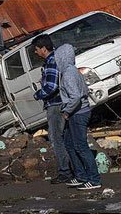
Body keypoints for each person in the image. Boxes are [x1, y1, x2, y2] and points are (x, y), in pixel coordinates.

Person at [55, 44, 102, 190]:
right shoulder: (73, 71)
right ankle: (81, 175)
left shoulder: (68, 74)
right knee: (69, 144)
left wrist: (67, 111)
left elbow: (75, 96)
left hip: (77, 113)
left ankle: (94, 179)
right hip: (79, 111)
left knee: (80, 146)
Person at [32, 34, 72, 184]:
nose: (36, 52)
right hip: (62, 103)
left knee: (56, 139)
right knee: (65, 137)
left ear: (43, 48)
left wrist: (38, 94)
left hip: (55, 104)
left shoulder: (51, 61)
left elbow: (52, 86)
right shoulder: (57, 59)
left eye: (36, 49)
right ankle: (71, 169)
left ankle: (65, 172)